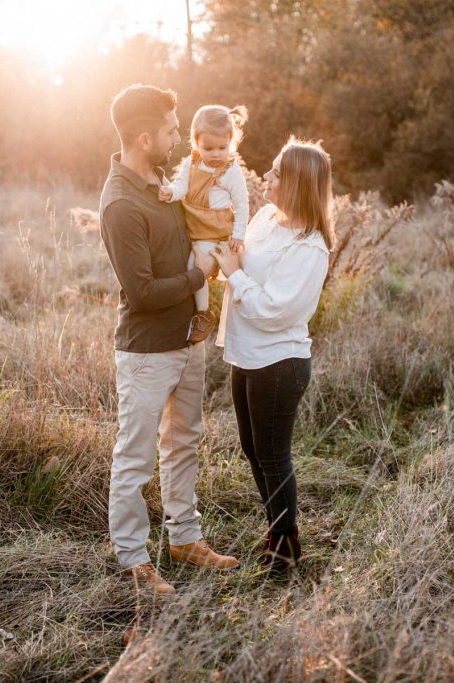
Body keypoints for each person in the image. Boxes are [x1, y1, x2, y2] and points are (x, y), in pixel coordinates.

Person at [99, 84, 239, 596]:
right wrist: (200, 275)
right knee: (135, 456)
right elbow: (140, 293)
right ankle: (134, 561)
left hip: (188, 340)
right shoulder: (119, 205)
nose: (180, 137)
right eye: (171, 130)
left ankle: (184, 538)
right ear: (143, 137)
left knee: (184, 442)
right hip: (146, 351)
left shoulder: (161, 178)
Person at [212, 138, 334, 576]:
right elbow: (245, 260)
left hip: (279, 364)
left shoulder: (310, 247)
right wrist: (238, 259)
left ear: (298, 183)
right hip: (246, 354)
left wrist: (236, 273)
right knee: (252, 448)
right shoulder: (266, 218)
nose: (267, 177)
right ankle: (276, 529)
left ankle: (286, 548)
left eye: (278, 172)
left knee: (273, 455)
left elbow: (275, 310)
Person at [158, 104, 250, 345]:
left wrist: (238, 234)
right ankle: (195, 311)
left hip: (215, 229)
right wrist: (171, 193)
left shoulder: (231, 170)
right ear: (196, 141)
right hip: (194, 223)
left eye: (223, 147)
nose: (216, 154)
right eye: (208, 147)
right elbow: (182, 185)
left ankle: (203, 313)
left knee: (195, 267)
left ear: (232, 142)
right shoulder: (192, 162)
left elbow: (241, 204)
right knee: (184, 263)